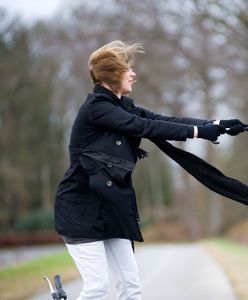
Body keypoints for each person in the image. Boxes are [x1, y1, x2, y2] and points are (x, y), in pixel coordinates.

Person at [54, 40, 245, 300]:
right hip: (81, 210)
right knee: (97, 288)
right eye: (127, 69)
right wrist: (199, 131)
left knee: (131, 289)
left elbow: (161, 120)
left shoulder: (122, 106)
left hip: (113, 208)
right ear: (112, 74)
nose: (133, 74)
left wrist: (215, 124)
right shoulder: (97, 109)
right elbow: (143, 127)